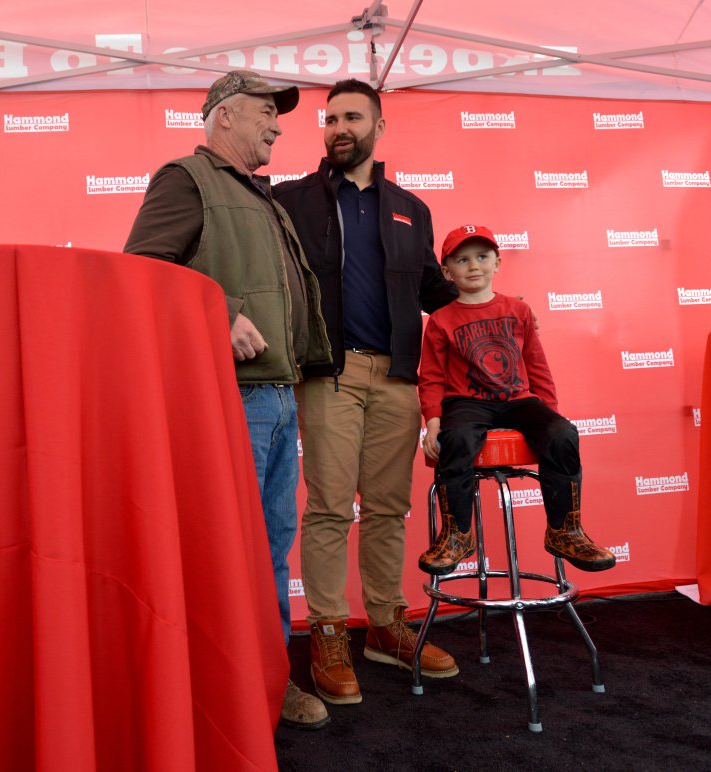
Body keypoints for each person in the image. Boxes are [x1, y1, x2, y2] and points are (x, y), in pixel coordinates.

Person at [124, 71, 334, 729]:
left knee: (268, 548)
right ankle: (216, 686)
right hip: (228, 400)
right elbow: (139, 272)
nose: (277, 125)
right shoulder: (186, 178)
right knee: (223, 549)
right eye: (266, 113)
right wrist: (219, 313)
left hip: (275, 398)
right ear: (224, 117)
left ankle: (265, 682)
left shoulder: (258, 195)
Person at [274, 79, 459, 707]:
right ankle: (327, 630)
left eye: (352, 117)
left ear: (379, 128)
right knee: (329, 506)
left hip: (399, 379)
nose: (338, 128)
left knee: (387, 509)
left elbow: (434, 291)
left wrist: (489, 299)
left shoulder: (411, 207)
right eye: (330, 119)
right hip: (331, 373)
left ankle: (385, 624)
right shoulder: (290, 199)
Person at [417, 224, 616, 575]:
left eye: (482, 257)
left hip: (518, 400)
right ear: (447, 272)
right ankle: (458, 534)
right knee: (456, 439)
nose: (474, 266)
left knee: (562, 433)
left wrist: (549, 418)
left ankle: (564, 530)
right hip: (466, 402)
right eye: (462, 260)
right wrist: (433, 424)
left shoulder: (518, 311)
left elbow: (537, 366)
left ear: (498, 262)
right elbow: (431, 377)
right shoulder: (440, 320)